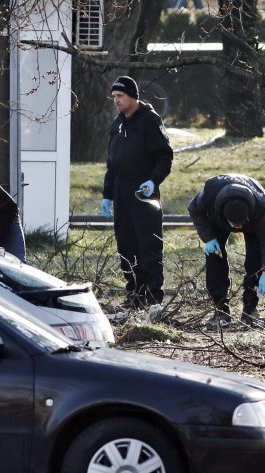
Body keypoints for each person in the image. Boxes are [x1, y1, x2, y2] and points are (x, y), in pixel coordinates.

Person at [101, 75, 173, 309]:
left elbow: (165, 157)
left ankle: (153, 298)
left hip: (144, 195)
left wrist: (153, 181)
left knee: (148, 246)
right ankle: (135, 294)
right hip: (122, 194)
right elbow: (112, 163)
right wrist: (107, 194)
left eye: (120, 96)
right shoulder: (116, 124)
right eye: (114, 97)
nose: (116, 101)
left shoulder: (150, 121)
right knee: (126, 246)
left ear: (133, 96)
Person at [188, 174, 265, 326]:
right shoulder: (208, 196)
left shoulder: (259, 210)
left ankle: (249, 312)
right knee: (215, 260)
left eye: (241, 224)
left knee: (255, 263)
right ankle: (220, 311)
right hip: (217, 220)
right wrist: (208, 238)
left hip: (252, 220)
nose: (238, 228)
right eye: (234, 224)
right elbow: (194, 210)